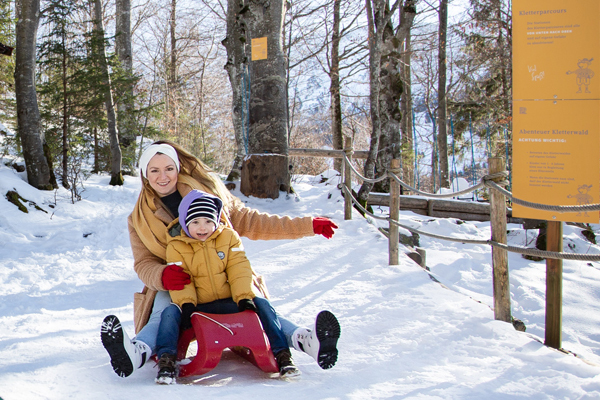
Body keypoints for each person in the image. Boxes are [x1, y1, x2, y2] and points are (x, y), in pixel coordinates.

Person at [101, 141, 341, 379]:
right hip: (180, 284)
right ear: (145, 174)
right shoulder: (138, 219)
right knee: (164, 308)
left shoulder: (210, 196)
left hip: (223, 273)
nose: (163, 176)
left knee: (257, 305)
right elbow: (143, 263)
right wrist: (162, 275)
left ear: (178, 168)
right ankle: (138, 350)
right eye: (154, 170)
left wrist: (308, 225)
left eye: (169, 169)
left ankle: (306, 340)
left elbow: (254, 222)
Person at [154, 190, 301, 383]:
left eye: (208, 221)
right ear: (185, 222)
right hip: (198, 306)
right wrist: (187, 305)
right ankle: (167, 360)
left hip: (229, 301)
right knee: (169, 312)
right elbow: (183, 278)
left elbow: (238, 269)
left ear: (216, 221)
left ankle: (282, 355)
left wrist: (244, 298)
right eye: (195, 222)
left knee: (263, 305)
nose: (202, 228)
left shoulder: (228, 237)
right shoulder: (176, 246)